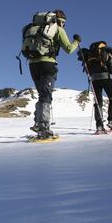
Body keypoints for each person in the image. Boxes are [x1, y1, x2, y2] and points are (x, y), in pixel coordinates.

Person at [28, 9, 81, 138]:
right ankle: (44, 127)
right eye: (64, 23)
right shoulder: (57, 29)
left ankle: (38, 124)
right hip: (48, 64)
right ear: (61, 21)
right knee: (46, 95)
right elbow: (69, 49)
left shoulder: (36, 28)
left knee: (42, 94)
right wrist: (77, 41)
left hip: (32, 63)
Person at [82, 41, 112, 134]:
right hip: (106, 78)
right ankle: (111, 122)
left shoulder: (89, 54)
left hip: (94, 80)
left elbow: (86, 68)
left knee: (98, 102)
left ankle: (99, 125)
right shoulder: (106, 51)